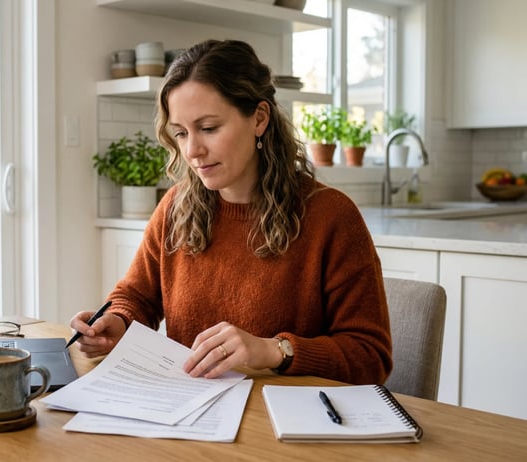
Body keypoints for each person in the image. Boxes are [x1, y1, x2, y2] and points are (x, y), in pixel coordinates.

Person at [70, 39, 392, 385]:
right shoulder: (175, 208)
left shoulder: (331, 216)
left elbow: (370, 357)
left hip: (282, 426)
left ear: (259, 118)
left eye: (208, 128)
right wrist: (115, 323)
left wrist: (274, 351)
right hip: (187, 416)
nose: (193, 150)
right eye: (180, 133)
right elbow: (135, 297)